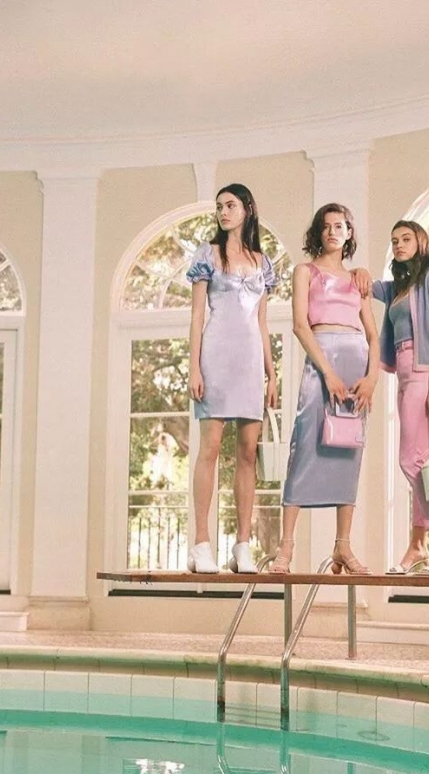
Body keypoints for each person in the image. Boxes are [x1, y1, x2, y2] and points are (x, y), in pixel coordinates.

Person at [270, 203, 380, 575]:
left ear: (349, 233)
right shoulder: (305, 272)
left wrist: (372, 379)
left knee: (349, 450)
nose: (333, 231)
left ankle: (343, 547)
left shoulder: (358, 280)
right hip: (322, 361)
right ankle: (286, 547)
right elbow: (300, 325)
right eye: (327, 226)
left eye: (340, 226)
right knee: (304, 445)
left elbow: (373, 335)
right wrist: (328, 373)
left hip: (356, 365)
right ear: (319, 232)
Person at [186, 183, 277, 573]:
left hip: (250, 362)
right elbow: (196, 316)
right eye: (219, 206)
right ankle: (200, 543)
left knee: (247, 453)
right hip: (215, 357)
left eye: (230, 205)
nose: (223, 212)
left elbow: (262, 321)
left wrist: (272, 373)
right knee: (209, 448)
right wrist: (194, 366)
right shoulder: (207, 254)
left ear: (247, 209)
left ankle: (242, 545)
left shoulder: (263, 262)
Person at [373, 220, 429, 575]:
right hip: (404, 374)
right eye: (394, 240)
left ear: (421, 241)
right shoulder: (399, 286)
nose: (399, 245)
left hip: (424, 372)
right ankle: (417, 545)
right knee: (420, 461)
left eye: (406, 239)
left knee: (411, 461)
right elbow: (366, 287)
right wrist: (352, 273)